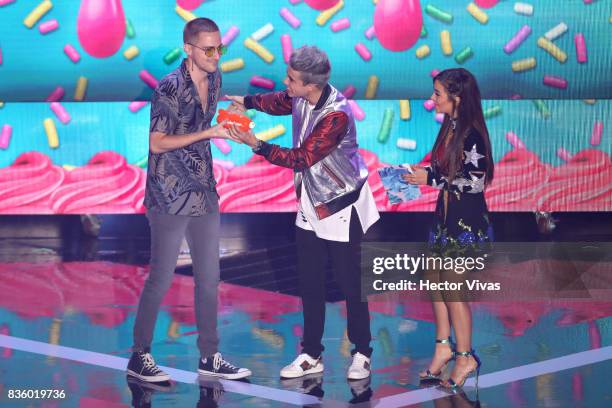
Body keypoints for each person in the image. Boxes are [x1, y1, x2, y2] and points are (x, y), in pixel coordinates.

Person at [226, 45, 380, 380]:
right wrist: (248, 102)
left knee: (349, 282)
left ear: (311, 85)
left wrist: (256, 144)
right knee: (310, 281)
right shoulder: (300, 96)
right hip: (312, 199)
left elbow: (301, 158)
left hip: (341, 203)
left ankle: (363, 351)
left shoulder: (336, 115)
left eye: (292, 79)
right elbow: (280, 100)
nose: (286, 82)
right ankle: (311, 353)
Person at [127, 17, 251, 382]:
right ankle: (139, 355)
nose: (216, 56)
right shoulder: (168, 88)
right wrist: (209, 132)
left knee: (209, 279)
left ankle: (209, 356)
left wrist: (232, 119)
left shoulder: (215, 79)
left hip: (204, 191)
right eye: (208, 49)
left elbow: (207, 122)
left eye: (220, 48)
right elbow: (156, 142)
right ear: (189, 50)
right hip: (169, 193)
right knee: (161, 278)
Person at [403, 68, 493, 390]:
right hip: (443, 221)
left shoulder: (472, 134)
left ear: (457, 97)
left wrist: (432, 180)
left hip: (466, 225)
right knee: (434, 281)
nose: (432, 99)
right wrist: (422, 172)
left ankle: (466, 356)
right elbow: (444, 170)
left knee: (454, 289)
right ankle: (443, 346)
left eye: (438, 93)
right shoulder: (449, 126)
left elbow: (474, 181)